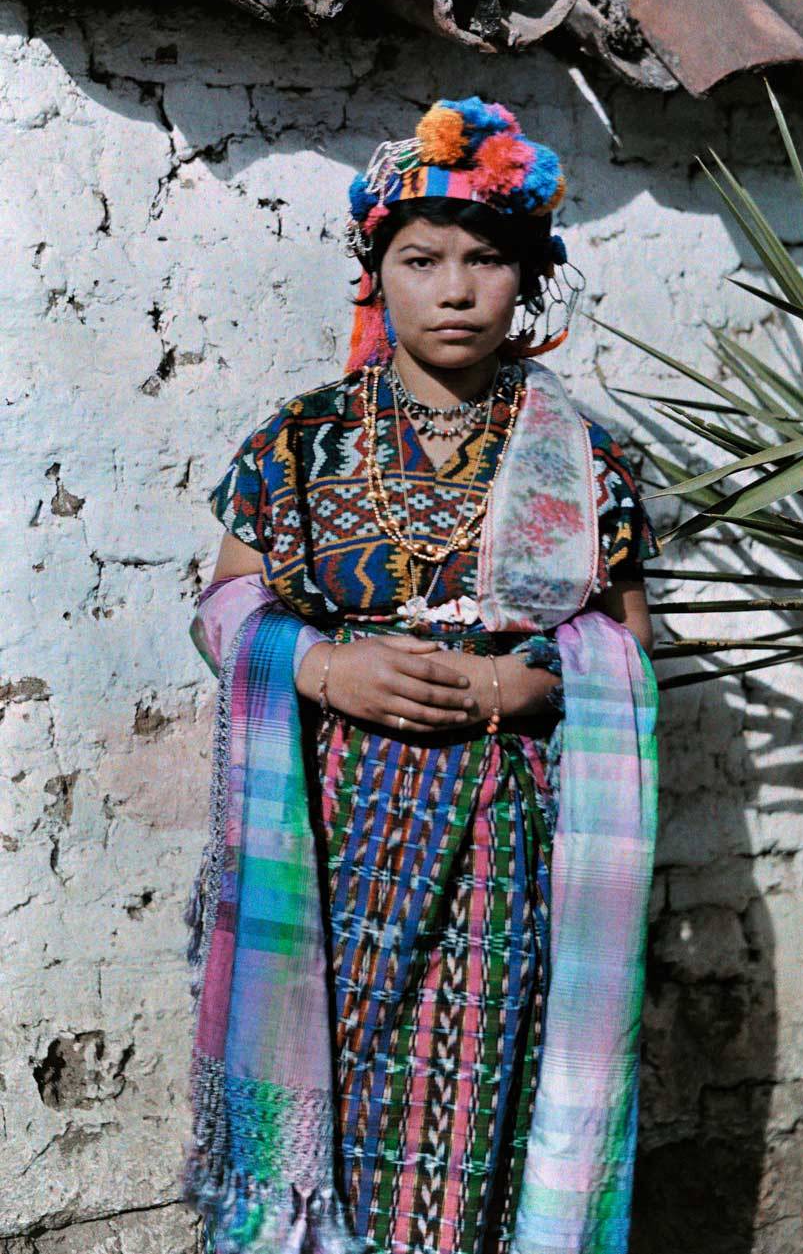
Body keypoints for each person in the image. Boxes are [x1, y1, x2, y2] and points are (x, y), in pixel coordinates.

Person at [181, 96, 661, 1254]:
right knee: (332, 1084)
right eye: (421, 259)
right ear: (376, 276)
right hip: (333, 832)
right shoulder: (298, 441)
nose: (455, 288)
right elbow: (227, 600)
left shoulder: (584, 457)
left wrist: (526, 684)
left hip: (508, 835)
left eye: (485, 259)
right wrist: (329, 666)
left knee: (474, 1103)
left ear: (528, 275)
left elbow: (628, 650)